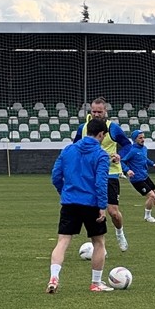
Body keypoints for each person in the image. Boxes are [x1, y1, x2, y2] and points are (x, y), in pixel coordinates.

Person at [47, 118, 113, 293]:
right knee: (99, 242)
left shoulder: (68, 149)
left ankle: (54, 277)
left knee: (62, 241)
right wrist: (102, 205)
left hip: (69, 203)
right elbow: (100, 182)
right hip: (91, 204)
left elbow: (55, 176)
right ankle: (96, 283)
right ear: (101, 135)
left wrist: (65, 192)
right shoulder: (101, 155)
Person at [73, 97, 133, 252]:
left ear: (105, 111)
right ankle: (100, 247)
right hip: (89, 174)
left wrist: (120, 156)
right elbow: (75, 147)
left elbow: (127, 145)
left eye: (99, 111)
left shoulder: (113, 128)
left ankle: (119, 233)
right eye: (94, 111)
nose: (96, 114)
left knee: (113, 212)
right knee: (94, 211)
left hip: (110, 173)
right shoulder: (83, 128)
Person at [120, 129, 155, 222]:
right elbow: (122, 161)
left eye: (143, 137)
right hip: (137, 179)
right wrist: (127, 170)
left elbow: (145, 159)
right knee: (151, 195)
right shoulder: (132, 151)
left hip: (145, 176)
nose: (143, 139)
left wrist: (152, 164)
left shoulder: (144, 149)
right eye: (140, 138)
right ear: (135, 139)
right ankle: (147, 216)